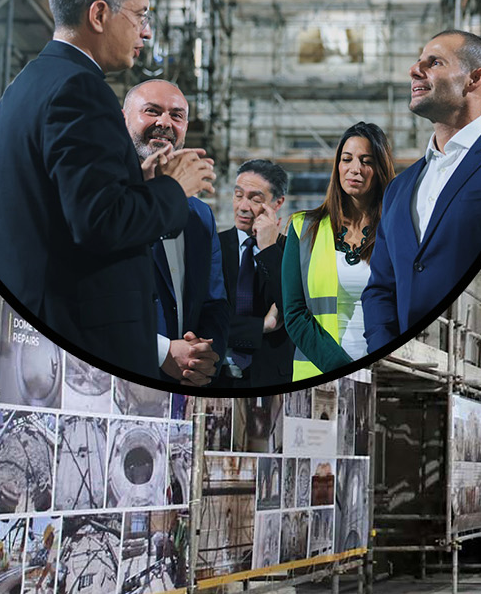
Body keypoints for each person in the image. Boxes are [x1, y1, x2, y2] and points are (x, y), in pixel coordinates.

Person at [0, 0, 214, 381]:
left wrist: (133, 183)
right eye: (139, 16)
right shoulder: (80, 89)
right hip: (80, 344)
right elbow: (99, 222)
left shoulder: (27, 85)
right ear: (99, 14)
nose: (146, 32)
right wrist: (174, 189)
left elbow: (61, 204)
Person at [363, 31, 481, 351]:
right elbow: (380, 287)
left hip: (480, 352)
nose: (414, 70)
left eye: (433, 62)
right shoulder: (399, 188)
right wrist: (385, 345)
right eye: (418, 62)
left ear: (474, 79)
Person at [122, 79, 225, 387]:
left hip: (185, 384)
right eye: (151, 111)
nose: (164, 122)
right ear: (122, 118)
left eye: (176, 115)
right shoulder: (106, 198)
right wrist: (163, 352)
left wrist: (204, 359)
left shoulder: (201, 215)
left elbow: (215, 302)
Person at [282, 122, 394, 379]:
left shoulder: (395, 230)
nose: (355, 169)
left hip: (382, 372)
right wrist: (342, 369)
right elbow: (294, 314)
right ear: (338, 166)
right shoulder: (302, 228)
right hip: (319, 371)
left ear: (380, 169)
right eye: (347, 159)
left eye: (366, 161)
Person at [220, 158, 293, 388]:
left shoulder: (291, 251)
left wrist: (268, 249)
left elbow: (292, 309)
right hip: (215, 378)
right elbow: (204, 321)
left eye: (255, 199)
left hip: (272, 377)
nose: (243, 206)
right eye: (238, 195)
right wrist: (261, 326)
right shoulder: (210, 246)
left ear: (277, 203)